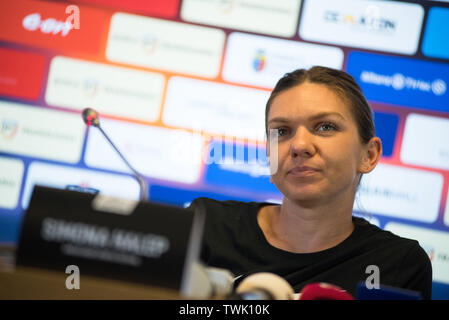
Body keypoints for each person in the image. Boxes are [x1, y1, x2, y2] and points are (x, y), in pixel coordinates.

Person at [187, 66, 432, 299]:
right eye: (282, 131)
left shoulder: (400, 263)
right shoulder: (205, 225)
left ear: (368, 155)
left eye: (325, 127)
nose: (299, 145)